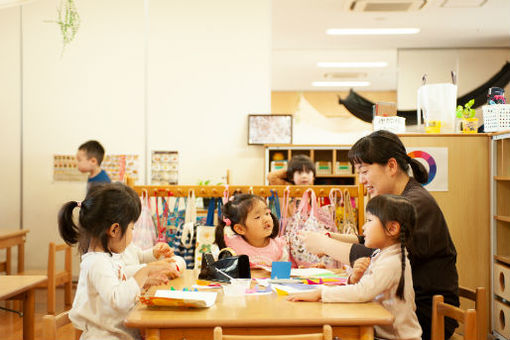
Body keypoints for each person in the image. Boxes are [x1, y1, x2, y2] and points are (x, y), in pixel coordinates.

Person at [303, 130, 459, 340]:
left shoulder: (415, 204)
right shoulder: (399, 201)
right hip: (397, 307)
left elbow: (373, 254)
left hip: (422, 317)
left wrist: (325, 244)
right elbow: (377, 242)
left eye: (364, 171)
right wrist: (333, 237)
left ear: (391, 166)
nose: (361, 180)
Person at [288, 195, 422, 340]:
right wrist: (354, 278)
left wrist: (321, 293)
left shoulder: (392, 262)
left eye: (369, 221)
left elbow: (362, 292)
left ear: (392, 228)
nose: (364, 227)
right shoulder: (383, 254)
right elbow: (367, 286)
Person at [58, 182, 172, 340]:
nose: (133, 233)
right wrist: (144, 272)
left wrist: (145, 281)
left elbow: (117, 288)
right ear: (114, 230)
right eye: (132, 228)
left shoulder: (109, 258)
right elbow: (118, 300)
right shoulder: (97, 262)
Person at [214, 194, 289, 268]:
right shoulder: (231, 247)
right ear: (240, 229)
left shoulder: (278, 247)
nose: (266, 219)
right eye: (257, 217)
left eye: (267, 213)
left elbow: (282, 275)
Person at [121, 242, 186, 283]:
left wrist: (156, 253)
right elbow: (120, 273)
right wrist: (150, 268)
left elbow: (140, 257)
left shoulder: (127, 243)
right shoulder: (112, 254)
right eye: (131, 228)